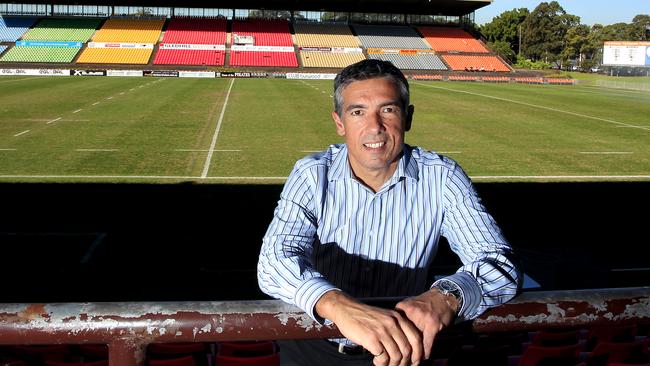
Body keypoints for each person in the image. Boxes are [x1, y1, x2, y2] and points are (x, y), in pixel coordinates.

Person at [257, 59, 521, 366]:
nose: (375, 127)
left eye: (388, 109)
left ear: (407, 117)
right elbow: (274, 260)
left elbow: (499, 261)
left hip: (404, 352)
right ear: (339, 122)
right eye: (358, 112)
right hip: (315, 348)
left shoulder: (442, 177)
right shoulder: (312, 175)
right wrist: (337, 305)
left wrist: (447, 295)